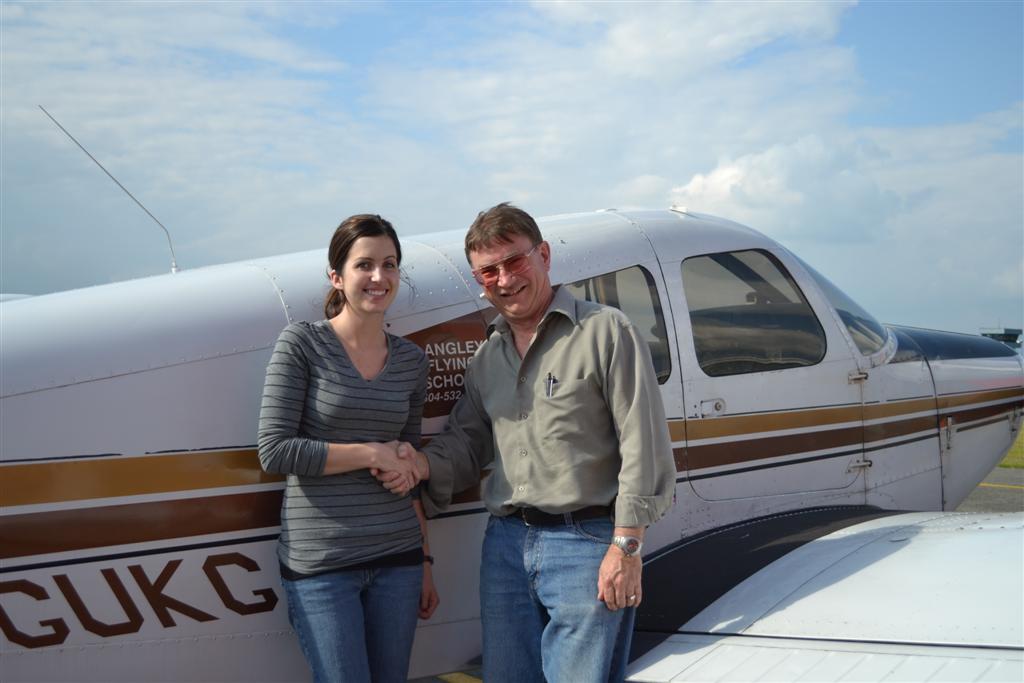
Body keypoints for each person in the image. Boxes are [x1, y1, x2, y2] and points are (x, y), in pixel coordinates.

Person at [379, 203, 675, 682]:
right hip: (505, 546)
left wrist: (627, 547)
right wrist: (416, 465)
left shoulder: (605, 331)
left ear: (543, 255)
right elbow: (466, 442)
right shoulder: (487, 357)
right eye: (488, 270)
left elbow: (643, 444)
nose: (504, 279)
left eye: (514, 261)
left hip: (587, 544)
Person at [257, 214, 438, 683]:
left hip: (398, 558)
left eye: (390, 264)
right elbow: (275, 451)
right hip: (322, 566)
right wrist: (370, 453)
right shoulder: (301, 344)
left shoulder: (411, 362)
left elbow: (407, 464)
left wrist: (424, 561)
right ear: (337, 277)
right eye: (365, 265)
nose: (379, 277)